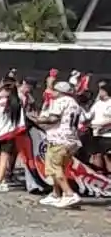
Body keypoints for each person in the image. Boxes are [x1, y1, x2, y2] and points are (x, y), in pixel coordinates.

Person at [36, 79, 82, 208]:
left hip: (59, 139)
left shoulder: (60, 101)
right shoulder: (75, 104)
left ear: (60, 92)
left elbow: (53, 119)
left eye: (55, 90)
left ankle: (69, 194)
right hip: (71, 139)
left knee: (55, 168)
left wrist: (39, 120)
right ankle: (56, 193)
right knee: (59, 168)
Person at [0, 78, 25, 192]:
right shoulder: (18, 103)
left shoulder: (0, 101)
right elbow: (21, 123)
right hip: (9, 134)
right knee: (4, 159)